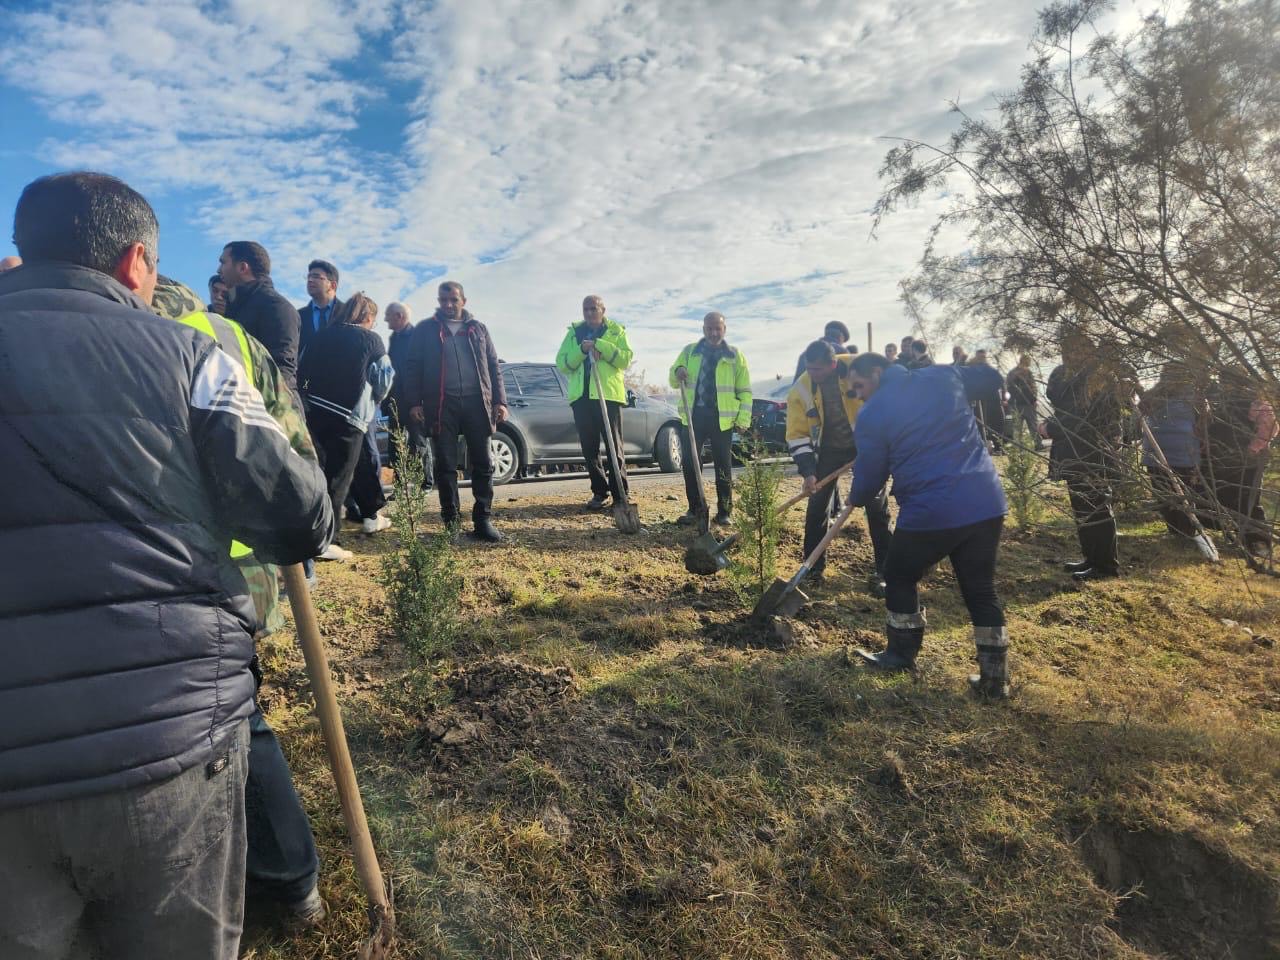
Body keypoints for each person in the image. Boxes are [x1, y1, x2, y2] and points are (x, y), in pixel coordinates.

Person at [0, 171, 333, 959]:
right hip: (169, 738)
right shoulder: (191, 355)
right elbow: (301, 511)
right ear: (135, 261)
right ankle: (293, 883)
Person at [150, 276, 328, 927]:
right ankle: (285, 875)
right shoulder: (233, 336)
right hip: (251, 559)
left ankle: (285, 874)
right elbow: (295, 443)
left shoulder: (150, 341)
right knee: (237, 700)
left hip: (194, 568)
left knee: (232, 710)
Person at [843, 352, 1011, 698]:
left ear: (877, 373)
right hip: (984, 501)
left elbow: (871, 475)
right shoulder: (943, 376)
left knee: (899, 574)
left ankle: (900, 656)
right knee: (980, 590)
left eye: (858, 386)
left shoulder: (873, 413)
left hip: (933, 509)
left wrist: (855, 496)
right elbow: (993, 378)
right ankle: (995, 681)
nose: (857, 395)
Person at [404, 281, 508, 541]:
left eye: (453, 300)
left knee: (483, 463)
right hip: (441, 405)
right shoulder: (425, 330)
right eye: (443, 300)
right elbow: (412, 367)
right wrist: (414, 402)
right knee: (446, 465)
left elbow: (493, 365)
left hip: (477, 404)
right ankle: (451, 523)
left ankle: (483, 520)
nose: (448, 305)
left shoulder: (478, 329)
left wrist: (500, 401)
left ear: (464, 300)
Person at [786, 340, 892, 593]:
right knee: (816, 507)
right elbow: (797, 435)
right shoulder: (801, 389)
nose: (813, 374)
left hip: (864, 447)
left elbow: (886, 401)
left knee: (876, 506)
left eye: (818, 369)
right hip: (828, 451)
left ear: (833, 364)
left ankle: (886, 570)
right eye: (809, 368)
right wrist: (808, 472)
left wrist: (878, 448)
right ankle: (813, 570)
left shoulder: (857, 369)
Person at [298, 292, 395, 552]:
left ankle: (371, 514)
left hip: (315, 412)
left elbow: (303, 369)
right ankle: (326, 541)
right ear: (368, 317)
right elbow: (384, 377)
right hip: (349, 415)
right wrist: (376, 398)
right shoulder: (371, 340)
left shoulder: (322, 336)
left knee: (350, 465)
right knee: (338, 479)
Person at [1042, 331, 1125, 581]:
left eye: (1076, 349)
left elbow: (1081, 417)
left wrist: (1050, 428)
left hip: (1093, 451)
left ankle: (1106, 566)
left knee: (1097, 508)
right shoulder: (1071, 375)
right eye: (1066, 350)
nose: (1070, 355)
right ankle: (1092, 558)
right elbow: (1058, 399)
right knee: (1082, 508)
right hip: (1074, 451)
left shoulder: (1098, 378)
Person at [670, 311, 752, 525]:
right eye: (710, 328)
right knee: (690, 463)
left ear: (724, 329)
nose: (714, 333)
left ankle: (724, 512)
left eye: (718, 328)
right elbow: (672, 377)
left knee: (723, 466)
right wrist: (678, 370)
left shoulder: (735, 356)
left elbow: (744, 391)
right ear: (703, 329)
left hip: (721, 420)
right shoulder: (690, 352)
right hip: (693, 417)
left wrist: (743, 419)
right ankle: (695, 509)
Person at [555, 295, 635, 510]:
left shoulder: (616, 331)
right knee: (589, 448)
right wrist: (582, 350)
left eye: (593, 308)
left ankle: (621, 494)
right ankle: (600, 492)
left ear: (603, 310)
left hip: (608, 396)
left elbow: (625, 359)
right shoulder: (574, 333)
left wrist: (600, 346)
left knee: (614, 446)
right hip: (582, 398)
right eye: (586, 309)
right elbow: (562, 363)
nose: (589, 313)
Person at [1202, 367, 1276, 558]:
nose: (1224, 384)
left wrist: (1252, 449)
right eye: (1222, 380)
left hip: (1250, 460)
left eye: (1226, 380)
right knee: (1228, 498)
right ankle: (1239, 540)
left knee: (1249, 501)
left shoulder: (1257, 402)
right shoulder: (1221, 401)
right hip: (1225, 459)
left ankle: (1260, 544)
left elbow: (1268, 429)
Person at [219, 240, 302, 391]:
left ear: (242, 267)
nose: (219, 270)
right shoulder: (235, 307)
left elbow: (282, 373)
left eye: (223, 263)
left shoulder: (277, 307)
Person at [1140, 362, 1207, 541]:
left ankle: (1186, 532)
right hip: (1157, 452)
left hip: (1184, 454)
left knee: (1183, 494)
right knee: (1165, 494)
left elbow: (1204, 420)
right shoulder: (1155, 394)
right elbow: (1141, 409)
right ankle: (1176, 532)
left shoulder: (1193, 396)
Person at [383, 301, 432, 489]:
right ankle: (400, 488)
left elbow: (425, 371)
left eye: (388, 315)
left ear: (399, 316)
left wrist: (419, 401)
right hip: (396, 401)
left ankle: (425, 484)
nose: (385, 319)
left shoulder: (417, 337)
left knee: (418, 443)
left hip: (415, 402)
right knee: (395, 445)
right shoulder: (394, 339)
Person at [298, 259, 342, 356]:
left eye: (316, 276)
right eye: (309, 276)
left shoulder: (347, 313)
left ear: (333, 285)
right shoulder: (298, 316)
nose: (310, 280)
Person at [968, 349, 1006, 454]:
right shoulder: (971, 370)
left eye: (983, 357)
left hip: (992, 401)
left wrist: (1002, 397)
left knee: (997, 424)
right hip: (978, 402)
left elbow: (1000, 381)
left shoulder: (991, 370)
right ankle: (981, 447)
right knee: (979, 425)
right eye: (979, 357)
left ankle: (998, 446)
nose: (981, 359)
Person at [1005, 354, 1042, 448]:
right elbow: (1032, 388)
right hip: (1026, 403)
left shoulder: (1012, 373)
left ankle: (1019, 447)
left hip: (1017, 403)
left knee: (1018, 427)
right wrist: (1034, 399)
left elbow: (1008, 387)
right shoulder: (1026, 372)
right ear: (1026, 361)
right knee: (1032, 425)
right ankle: (1037, 444)